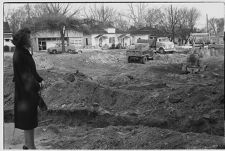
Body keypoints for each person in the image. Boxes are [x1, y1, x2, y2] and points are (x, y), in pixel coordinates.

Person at [12, 27, 45, 149]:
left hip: (27, 91)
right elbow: (26, 77)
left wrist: (40, 79)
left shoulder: (24, 52)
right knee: (28, 121)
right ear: (24, 39)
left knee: (29, 120)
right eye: (30, 37)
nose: (31, 39)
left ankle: (27, 145)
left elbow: (32, 71)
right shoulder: (20, 54)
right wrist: (38, 85)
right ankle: (31, 147)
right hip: (25, 93)